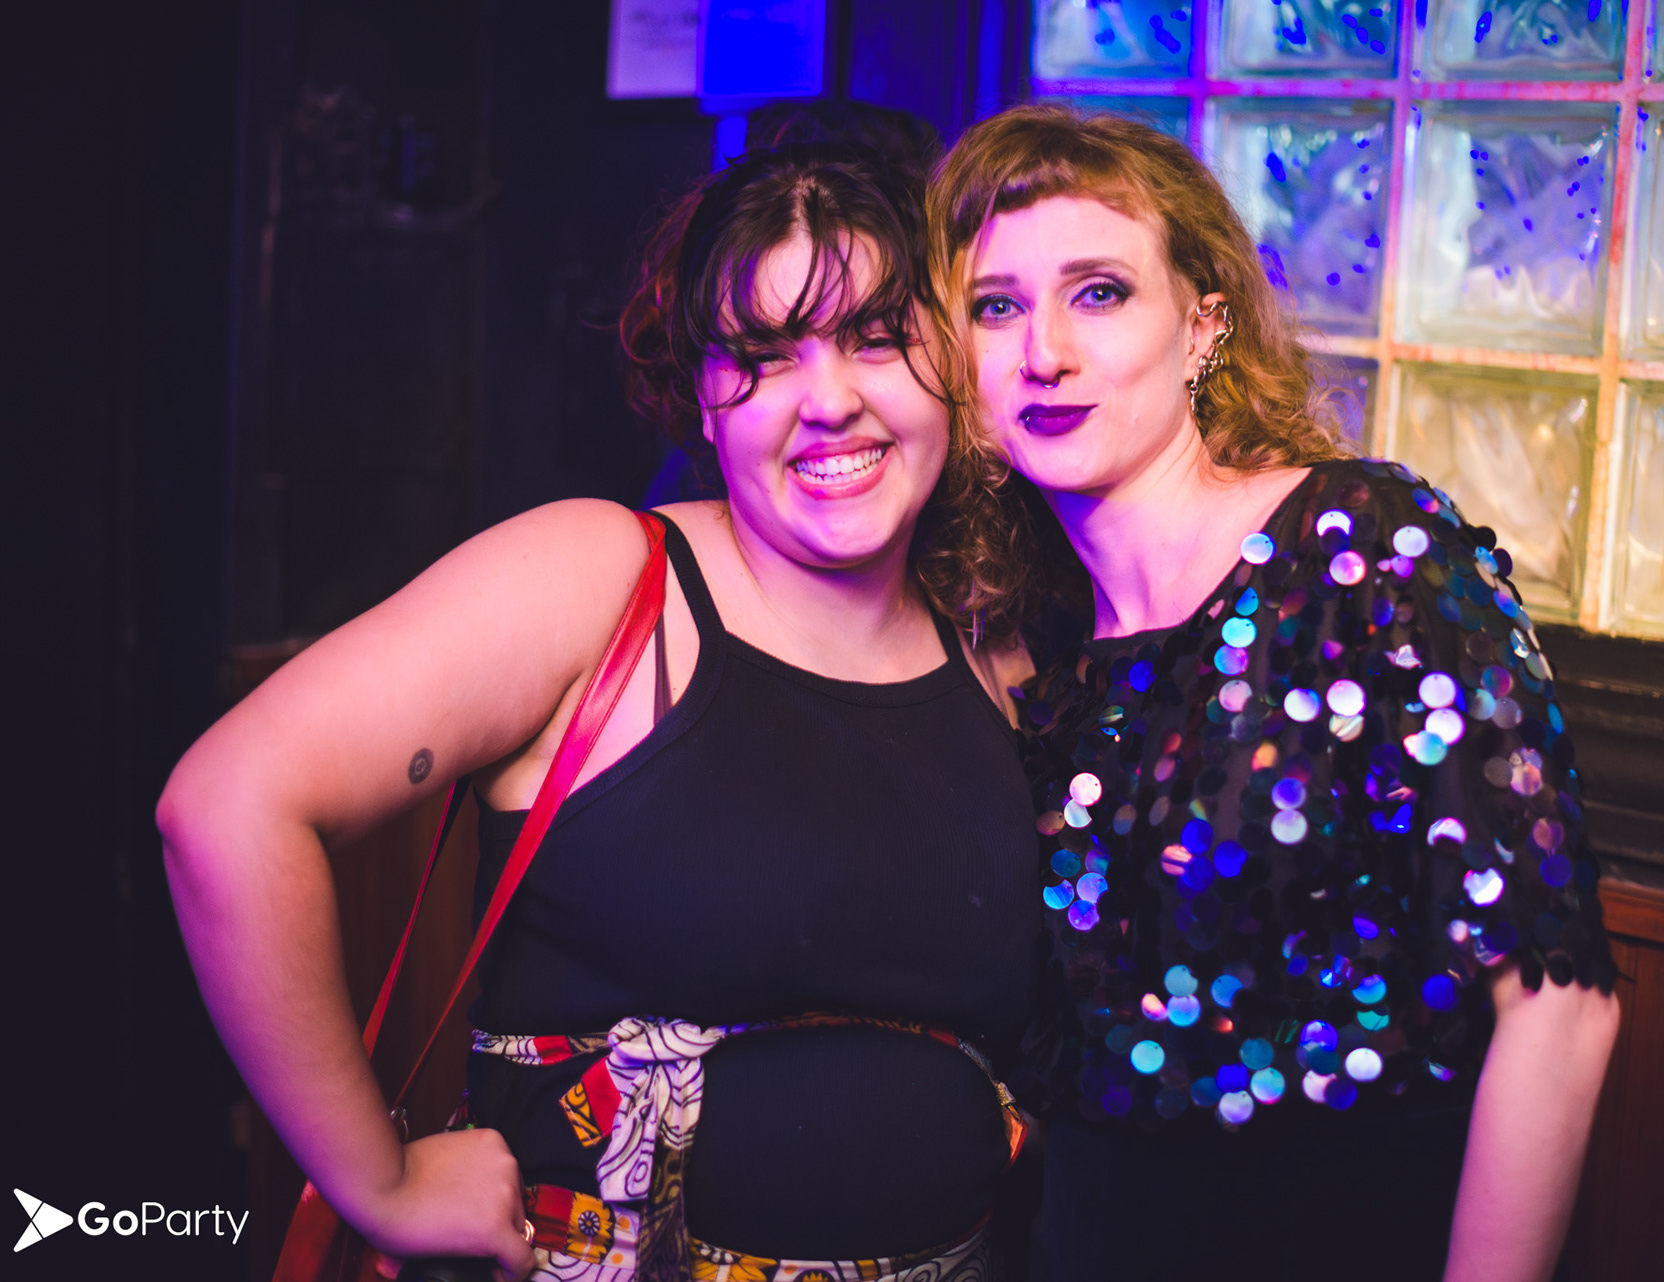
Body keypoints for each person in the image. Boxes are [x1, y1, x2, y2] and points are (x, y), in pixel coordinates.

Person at [159, 142, 1041, 1282]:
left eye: (878, 337)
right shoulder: (602, 582)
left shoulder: (990, 648)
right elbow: (226, 806)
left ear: (951, 365)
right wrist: (378, 1180)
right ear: (702, 400)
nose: (830, 401)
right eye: (762, 357)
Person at [920, 105, 1621, 1282]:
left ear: (1203, 327)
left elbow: (1559, 1002)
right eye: (996, 306)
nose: (1045, 351)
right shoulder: (1021, 641)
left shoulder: (1360, 552)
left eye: (1100, 292)